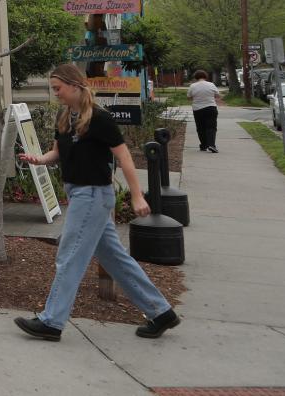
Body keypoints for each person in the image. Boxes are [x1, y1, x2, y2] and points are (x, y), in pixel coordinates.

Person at [14, 63, 180, 342]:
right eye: (53, 89)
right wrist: (38, 159)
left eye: (59, 88)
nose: (56, 94)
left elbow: (125, 157)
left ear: (76, 85)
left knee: (69, 255)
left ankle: (51, 321)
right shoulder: (65, 116)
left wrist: (138, 195)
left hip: (93, 195)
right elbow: (56, 152)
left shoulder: (100, 118)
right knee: (114, 258)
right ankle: (160, 311)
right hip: (79, 193)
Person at [187, 69, 223, 153]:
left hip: (198, 109)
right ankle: (211, 145)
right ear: (205, 77)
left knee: (200, 128)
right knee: (211, 127)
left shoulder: (192, 86)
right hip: (211, 108)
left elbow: (189, 98)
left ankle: (203, 145)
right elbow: (218, 96)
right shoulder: (211, 84)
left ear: (196, 77)